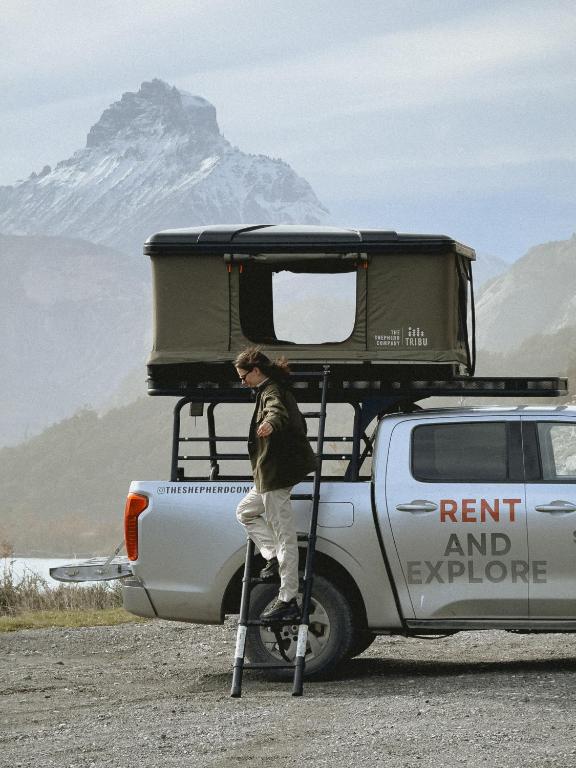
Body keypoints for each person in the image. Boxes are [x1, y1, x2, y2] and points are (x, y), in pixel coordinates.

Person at [235, 347, 317, 622]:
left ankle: (288, 597)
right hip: (268, 474)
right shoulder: (269, 388)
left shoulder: (272, 391)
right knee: (245, 512)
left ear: (256, 371)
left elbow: (275, 411)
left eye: (244, 376)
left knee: (285, 534)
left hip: (275, 475)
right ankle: (271, 556)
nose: (242, 381)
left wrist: (269, 423)